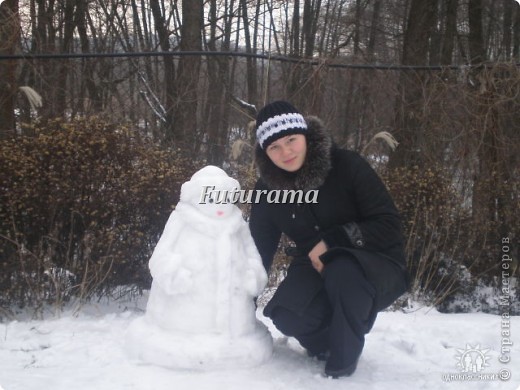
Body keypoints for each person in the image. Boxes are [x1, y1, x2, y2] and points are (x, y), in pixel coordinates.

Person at [249, 100, 409, 378]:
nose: (285, 152)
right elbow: (257, 250)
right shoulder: (267, 190)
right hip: (314, 265)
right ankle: (328, 345)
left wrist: (334, 241)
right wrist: (240, 298)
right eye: (274, 147)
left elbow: (389, 225)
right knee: (287, 314)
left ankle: (342, 367)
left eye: (291, 140)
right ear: (265, 153)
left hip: (376, 261)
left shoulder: (348, 165)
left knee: (342, 269)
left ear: (305, 136)